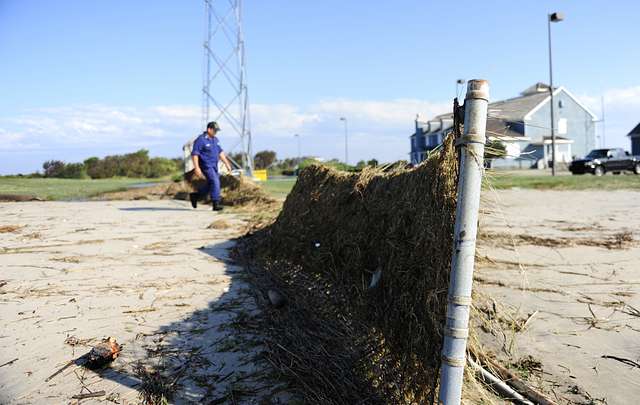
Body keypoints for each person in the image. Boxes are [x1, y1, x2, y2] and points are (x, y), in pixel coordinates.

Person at [190, 121, 233, 211]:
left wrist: (227, 163)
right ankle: (215, 203)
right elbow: (195, 154)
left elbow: (220, 152)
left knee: (210, 185)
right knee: (215, 181)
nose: (216, 132)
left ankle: (196, 196)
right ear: (209, 129)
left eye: (217, 131)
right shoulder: (201, 140)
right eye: (214, 130)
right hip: (206, 165)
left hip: (214, 165)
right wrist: (197, 168)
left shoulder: (215, 140)